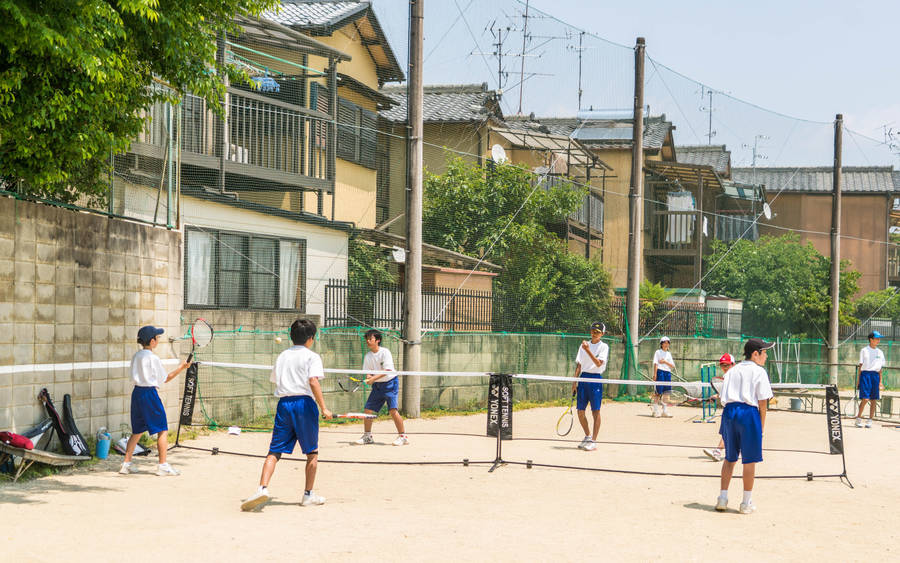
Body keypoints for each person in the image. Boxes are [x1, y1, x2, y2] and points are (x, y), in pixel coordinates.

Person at [241, 319, 333, 511]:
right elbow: (313, 381)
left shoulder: (282, 355)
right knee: (312, 453)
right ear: (311, 338)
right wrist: (324, 408)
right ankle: (308, 494)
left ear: (292, 337)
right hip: (304, 405)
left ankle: (262, 488)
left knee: (274, 451)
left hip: (284, 404)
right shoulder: (312, 357)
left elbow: (275, 380)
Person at [119, 326, 191, 476]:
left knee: (137, 431)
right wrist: (182, 367)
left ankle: (126, 464)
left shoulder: (136, 356)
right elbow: (166, 378)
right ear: (152, 341)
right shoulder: (153, 358)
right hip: (149, 394)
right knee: (162, 429)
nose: (158, 339)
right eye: (157, 338)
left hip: (137, 393)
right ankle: (163, 465)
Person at [715, 338, 774, 515]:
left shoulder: (732, 371)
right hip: (748, 413)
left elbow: (723, 399)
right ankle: (746, 503)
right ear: (755, 354)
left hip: (729, 413)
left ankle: (722, 498)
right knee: (749, 461)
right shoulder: (759, 371)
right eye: (764, 352)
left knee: (729, 458)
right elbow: (763, 403)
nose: (766, 355)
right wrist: (761, 428)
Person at [354, 329, 409, 446]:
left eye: (371, 339)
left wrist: (373, 379)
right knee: (368, 410)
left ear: (377, 340)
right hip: (377, 386)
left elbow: (387, 371)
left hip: (390, 383)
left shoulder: (385, 352)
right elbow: (368, 373)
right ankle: (368, 436)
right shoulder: (368, 356)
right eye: (367, 339)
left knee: (393, 411)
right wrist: (369, 378)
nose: (368, 341)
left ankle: (403, 436)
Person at [571, 321, 609, 451]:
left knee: (595, 411)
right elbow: (579, 365)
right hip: (583, 379)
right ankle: (587, 436)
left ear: (602, 334)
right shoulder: (583, 346)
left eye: (597, 332)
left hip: (595, 379)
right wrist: (574, 382)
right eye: (593, 330)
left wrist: (588, 350)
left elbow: (598, 364)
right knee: (580, 411)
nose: (594, 333)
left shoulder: (604, 347)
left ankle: (594, 441)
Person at [702, 353, 735, 461]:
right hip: (731, 409)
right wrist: (716, 396)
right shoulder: (729, 377)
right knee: (730, 433)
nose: (724, 367)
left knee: (728, 432)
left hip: (734, 409)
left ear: (733, 364)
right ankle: (720, 451)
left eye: (726, 365)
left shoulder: (732, 377)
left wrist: (718, 397)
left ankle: (718, 451)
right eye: (722, 365)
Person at [856, 331, 886, 428]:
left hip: (875, 376)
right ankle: (858, 419)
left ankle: (870, 420)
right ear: (871, 339)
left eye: (879, 338)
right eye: (877, 338)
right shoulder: (864, 350)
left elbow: (880, 369)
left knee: (874, 399)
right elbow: (860, 366)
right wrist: (858, 381)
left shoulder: (880, 352)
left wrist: (880, 382)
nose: (878, 340)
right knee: (865, 399)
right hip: (865, 375)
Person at [651, 336, 676, 418]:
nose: (666, 344)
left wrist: (665, 361)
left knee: (666, 393)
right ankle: (655, 411)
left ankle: (664, 411)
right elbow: (656, 364)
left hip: (667, 373)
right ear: (661, 344)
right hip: (660, 372)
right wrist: (655, 374)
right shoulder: (658, 352)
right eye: (664, 343)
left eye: (667, 343)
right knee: (658, 393)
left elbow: (672, 366)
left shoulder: (669, 354)